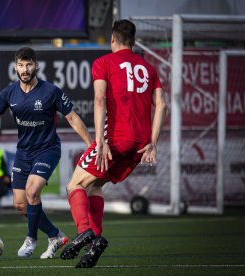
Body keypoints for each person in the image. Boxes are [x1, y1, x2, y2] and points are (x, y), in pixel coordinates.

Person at [0, 47, 92, 259]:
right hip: (23, 152)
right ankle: (55, 235)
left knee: (32, 192)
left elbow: (72, 118)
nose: (25, 69)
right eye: (21, 65)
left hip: (48, 149)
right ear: (15, 67)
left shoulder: (51, 91)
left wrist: (91, 145)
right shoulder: (9, 93)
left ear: (36, 65)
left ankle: (31, 238)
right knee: (21, 204)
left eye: (29, 64)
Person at [60, 19, 167, 268]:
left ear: (112, 39)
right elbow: (161, 105)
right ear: (133, 40)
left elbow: (99, 100)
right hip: (139, 145)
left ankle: (85, 231)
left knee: (74, 184)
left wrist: (100, 141)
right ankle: (94, 245)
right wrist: (152, 142)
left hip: (116, 138)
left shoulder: (104, 63)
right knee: (95, 184)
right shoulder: (148, 68)